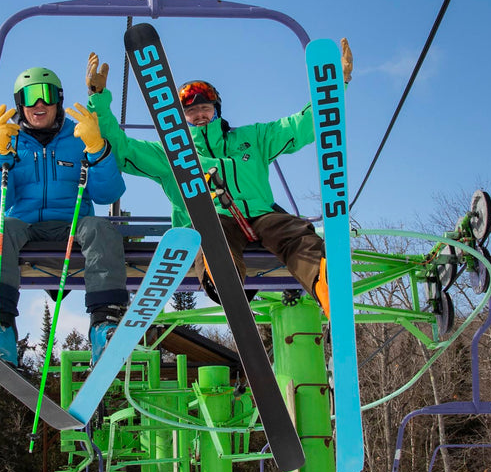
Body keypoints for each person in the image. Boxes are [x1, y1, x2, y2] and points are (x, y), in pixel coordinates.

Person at [87, 42, 352, 317]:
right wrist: (98, 100)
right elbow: (122, 149)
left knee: (297, 234)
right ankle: (224, 281)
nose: (199, 115)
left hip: (262, 214)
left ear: (217, 110)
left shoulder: (253, 139)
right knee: (213, 234)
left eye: (205, 108)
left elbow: (299, 126)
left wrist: (335, 87)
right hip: (215, 219)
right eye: (191, 112)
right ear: (181, 118)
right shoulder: (173, 154)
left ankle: (328, 289)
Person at [0, 65, 129, 366]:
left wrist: (97, 149)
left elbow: (108, 194)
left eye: (46, 95)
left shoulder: (78, 135)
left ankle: (104, 324)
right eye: (30, 97)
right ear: (20, 104)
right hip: (26, 226)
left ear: (58, 99)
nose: (39, 105)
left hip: (72, 224)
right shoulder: (12, 140)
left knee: (101, 227)